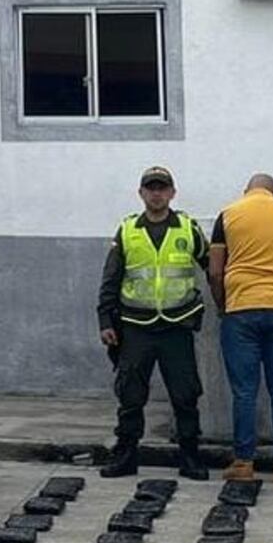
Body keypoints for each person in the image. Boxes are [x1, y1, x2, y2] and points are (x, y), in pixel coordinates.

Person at [96, 165, 209, 480]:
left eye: (162, 188)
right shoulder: (128, 230)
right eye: (151, 188)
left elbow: (213, 266)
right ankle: (126, 456)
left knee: (185, 395)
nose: (156, 194)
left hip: (177, 325)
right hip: (136, 327)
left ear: (172, 193)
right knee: (130, 396)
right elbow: (111, 279)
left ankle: (190, 458)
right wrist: (105, 320)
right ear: (141, 193)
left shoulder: (188, 228)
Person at [209, 173, 273, 485]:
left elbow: (215, 270)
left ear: (247, 191)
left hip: (240, 309)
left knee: (244, 391)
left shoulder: (228, 215)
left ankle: (243, 462)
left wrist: (223, 304)